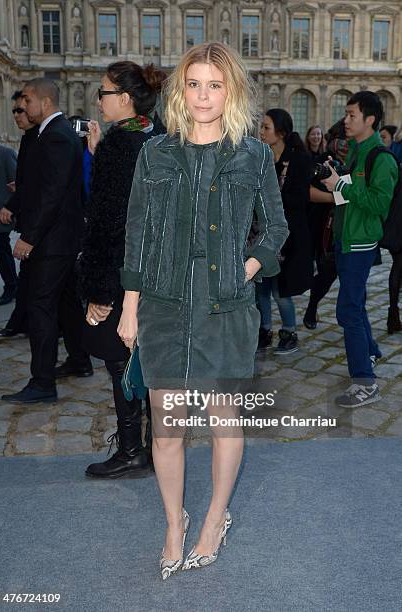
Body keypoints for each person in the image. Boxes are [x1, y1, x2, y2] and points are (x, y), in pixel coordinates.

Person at [117, 42, 288, 579]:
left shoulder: (253, 155)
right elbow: (137, 234)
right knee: (166, 425)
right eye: (193, 84)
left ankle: (214, 518)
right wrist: (129, 306)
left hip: (225, 302)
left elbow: (277, 229)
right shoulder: (156, 153)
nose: (203, 95)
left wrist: (248, 268)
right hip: (165, 301)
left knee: (221, 417)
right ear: (179, 90)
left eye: (215, 84)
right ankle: (174, 522)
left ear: (231, 91)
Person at [79, 61, 166, 479]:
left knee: (120, 361)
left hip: (122, 272)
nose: (99, 100)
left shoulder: (119, 145)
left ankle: (132, 448)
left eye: (104, 93)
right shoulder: (158, 135)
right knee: (148, 360)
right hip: (157, 271)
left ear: (125, 99)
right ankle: (151, 447)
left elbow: (108, 221)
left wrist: (99, 290)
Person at [1, 78, 84, 404]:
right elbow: (38, 184)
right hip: (58, 239)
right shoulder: (47, 134)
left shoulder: (56, 137)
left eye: (27, 101)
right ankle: (79, 360)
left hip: (52, 241)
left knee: (40, 308)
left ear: (43, 102)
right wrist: (15, 205)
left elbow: (53, 194)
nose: (23, 107)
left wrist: (29, 239)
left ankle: (42, 382)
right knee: (65, 303)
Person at [321, 91, 399, 407]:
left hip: (361, 243)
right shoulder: (356, 151)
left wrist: (340, 184)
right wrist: (335, 179)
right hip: (346, 239)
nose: (346, 120)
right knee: (358, 303)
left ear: (370, 120)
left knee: (348, 311)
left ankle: (365, 383)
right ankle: (371, 351)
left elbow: (380, 204)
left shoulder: (381, 158)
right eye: (346, 113)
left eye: (352, 114)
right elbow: (351, 198)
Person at [257, 108, 313, 353]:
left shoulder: (298, 160)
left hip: (288, 237)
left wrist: (272, 197)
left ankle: (289, 331)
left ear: (280, 132)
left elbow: (299, 199)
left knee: (281, 290)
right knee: (261, 289)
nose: (261, 132)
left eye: (266, 127)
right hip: (260, 233)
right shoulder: (260, 157)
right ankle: (264, 330)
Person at [0, 91, 38, 337]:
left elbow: (47, 189)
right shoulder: (29, 140)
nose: (16, 116)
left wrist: (28, 235)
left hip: (39, 230)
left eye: (21, 110)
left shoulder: (45, 139)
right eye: (13, 111)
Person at [303, 119, 348, 330]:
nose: (344, 145)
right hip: (323, 224)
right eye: (341, 141)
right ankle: (312, 306)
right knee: (327, 270)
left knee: (340, 273)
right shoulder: (323, 160)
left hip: (348, 226)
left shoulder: (355, 162)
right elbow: (309, 193)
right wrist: (336, 198)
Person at [0, 137, 18, 306]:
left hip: (1, 214)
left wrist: (10, 207)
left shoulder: (5, 153)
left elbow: (18, 184)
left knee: (2, 252)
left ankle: (12, 286)